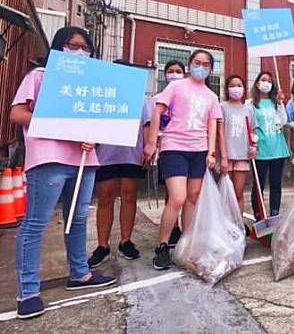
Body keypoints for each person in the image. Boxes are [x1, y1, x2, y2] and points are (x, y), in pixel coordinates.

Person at [10, 27, 116, 320]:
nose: (80, 52)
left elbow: (101, 120)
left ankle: (80, 273)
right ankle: (28, 291)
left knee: (78, 217)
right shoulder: (40, 76)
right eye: (73, 45)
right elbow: (17, 113)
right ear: (59, 47)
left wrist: (94, 135)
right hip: (49, 158)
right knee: (36, 222)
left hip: (84, 157)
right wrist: (61, 126)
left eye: (86, 48)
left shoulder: (93, 85)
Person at [144, 50, 222, 270]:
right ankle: (162, 245)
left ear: (211, 69)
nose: (201, 66)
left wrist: (211, 152)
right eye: (197, 62)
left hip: (199, 150)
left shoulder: (211, 96)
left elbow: (212, 124)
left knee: (193, 197)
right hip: (174, 147)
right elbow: (158, 109)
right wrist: (152, 142)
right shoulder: (176, 86)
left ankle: (185, 246)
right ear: (190, 65)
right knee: (177, 198)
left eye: (206, 64)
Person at [88, 61, 151, 268]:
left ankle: (126, 241)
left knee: (129, 196)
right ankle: (102, 245)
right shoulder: (102, 95)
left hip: (131, 154)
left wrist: (148, 148)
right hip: (106, 154)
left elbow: (147, 125)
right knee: (104, 197)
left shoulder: (140, 99)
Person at [250, 71, 289, 221]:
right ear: (257, 83)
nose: (265, 82)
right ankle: (258, 216)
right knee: (258, 185)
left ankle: (274, 214)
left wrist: (280, 104)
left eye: (268, 80)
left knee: (276, 184)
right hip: (260, 150)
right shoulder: (251, 103)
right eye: (263, 79)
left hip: (278, 149)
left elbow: (283, 121)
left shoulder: (275, 102)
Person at [157, 60, 187, 247]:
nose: (174, 74)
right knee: (172, 194)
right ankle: (171, 228)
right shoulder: (161, 97)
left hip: (190, 150)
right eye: (170, 71)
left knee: (187, 195)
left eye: (178, 71)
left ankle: (185, 229)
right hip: (168, 150)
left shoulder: (187, 96)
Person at [220, 75, 257, 216]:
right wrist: (222, 155)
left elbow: (252, 132)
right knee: (225, 195)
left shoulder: (249, 109)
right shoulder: (222, 107)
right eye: (233, 85)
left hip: (243, 155)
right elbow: (220, 133)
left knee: (238, 193)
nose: (236, 88)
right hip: (226, 156)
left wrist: (254, 146)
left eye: (239, 85)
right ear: (227, 89)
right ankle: (223, 224)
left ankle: (238, 224)